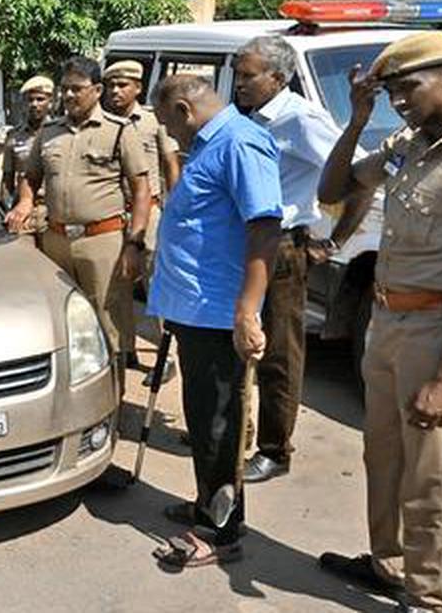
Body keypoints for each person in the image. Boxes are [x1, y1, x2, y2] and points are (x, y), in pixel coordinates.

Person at [316, 31, 442, 613]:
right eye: (391, 92)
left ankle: (425, 597)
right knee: (382, 455)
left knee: (430, 472)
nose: (399, 100)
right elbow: (335, 190)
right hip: (385, 321)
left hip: (439, 331)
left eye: (409, 87)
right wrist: (357, 121)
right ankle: (389, 565)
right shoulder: (408, 145)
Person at [148, 75, 282, 568]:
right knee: (204, 421)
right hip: (193, 310)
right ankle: (209, 503)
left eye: (168, 125)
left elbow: (266, 226)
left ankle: (221, 533)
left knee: (221, 425)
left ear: (184, 109)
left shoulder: (239, 143)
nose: (170, 135)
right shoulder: (209, 145)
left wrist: (248, 310)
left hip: (218, 310)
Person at [231, 36, 376, 483]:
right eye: (237, 75)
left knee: (279, 351)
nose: (238, 84)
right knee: (237, 341)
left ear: (279, 77)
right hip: (242, 243)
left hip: (280, 247)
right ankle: (236, 431)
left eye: (247, 76)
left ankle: (275, 449)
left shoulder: (300, 118)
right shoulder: (249, 117)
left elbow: (361, 178)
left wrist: (332, 242)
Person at [6, 55, 153, 369]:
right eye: (65, 89)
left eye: (77, 89)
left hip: (103, 242)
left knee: (109, 324)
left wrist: (134, 243)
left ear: (97, 90)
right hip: (56, 241)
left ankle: (114, 407)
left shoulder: (119, 131)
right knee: (62, 322)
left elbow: (141, 190)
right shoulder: (49, 133)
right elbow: (31, 178)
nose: (69, 95)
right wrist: (23, 203)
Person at [102, 59, 181, 380]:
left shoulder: (152, 121)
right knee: (117, 285)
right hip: (113, 214)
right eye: (110, 85)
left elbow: (171, 163)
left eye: (122, 85)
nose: (115, 91)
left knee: (156, 285)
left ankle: (167, 357)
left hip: (150, 213)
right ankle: (125, 349)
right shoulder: (102, 122)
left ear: (137, 87)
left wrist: (175, 207)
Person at [0, 75, 54, 211]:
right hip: (23, 210)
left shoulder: (60, 133)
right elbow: (7, 179)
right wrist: (6, 209)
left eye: (40, 99)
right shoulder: (14, 136)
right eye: (30, 100)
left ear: (51, 102)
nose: (34, 104)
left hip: (53, 210)